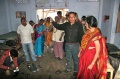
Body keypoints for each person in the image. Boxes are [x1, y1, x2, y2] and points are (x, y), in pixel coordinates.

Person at [52, 12, 84, 76]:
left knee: (76, 59)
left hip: (75, 45)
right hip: (67, 44)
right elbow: (59, 26)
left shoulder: (79, 25)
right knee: (68, 58)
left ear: (75, 17)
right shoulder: (66, 24)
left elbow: (81, 36)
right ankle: (68, 68)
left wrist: (80, 46)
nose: (71, 18)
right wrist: (53, 22)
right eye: (70, 17)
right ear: (68, 18)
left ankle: (76, 70)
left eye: (73, 17)